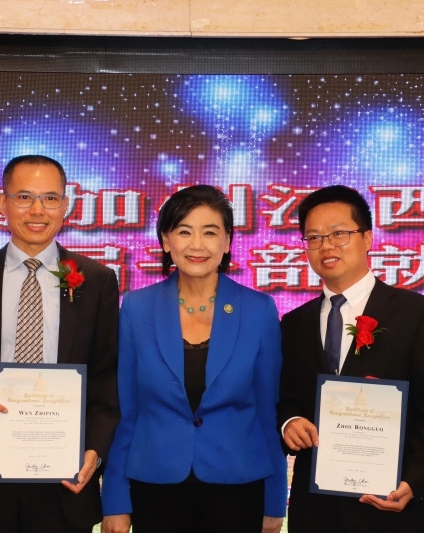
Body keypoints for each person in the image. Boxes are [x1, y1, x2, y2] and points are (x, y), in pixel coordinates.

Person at [0, 155, 120, 533]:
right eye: (24, 197)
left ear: (65, 205)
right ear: (2, 203)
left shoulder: (97, 280)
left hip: (64, 475)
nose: (37, 210)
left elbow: (106, 374)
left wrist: (95, 450)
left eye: (50, 198)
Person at [100, 185, 287, 533]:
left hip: (237, 486)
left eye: (210, 232)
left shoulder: (259, 310)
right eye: (184, 231)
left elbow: (267, 412)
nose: (197, 244)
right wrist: (115, 499)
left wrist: (275, 499)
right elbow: (127, 411)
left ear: (227, 241)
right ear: (166, 240)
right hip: (155, 485)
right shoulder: (137, 308)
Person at [277, 185, 424, 533]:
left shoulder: (418, 314)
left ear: (368, 238)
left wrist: (414, 481)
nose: (326, 246)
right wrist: (289, 422)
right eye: (314, 237)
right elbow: (285, 398)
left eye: (339, 234)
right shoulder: (294, 323)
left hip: (393, 505)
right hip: (316, 511)